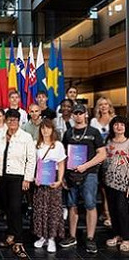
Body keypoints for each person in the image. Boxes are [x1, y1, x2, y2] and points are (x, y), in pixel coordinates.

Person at [60, 103, 106, 254]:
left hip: (89, 174)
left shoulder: (94, 132)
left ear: (86, 114)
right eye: (76, 113)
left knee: (90, 204)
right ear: (72, 115)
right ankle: (72, 236)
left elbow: (102, 154)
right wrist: (64, 176)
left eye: (81, 113)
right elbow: (64, 156)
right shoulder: (68, 133)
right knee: (72, 205)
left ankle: (91, 238)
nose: (78, 115)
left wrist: (86, 166)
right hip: (71, 174)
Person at [0, 109, 36, 258]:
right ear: (6, 121)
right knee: (7, 208)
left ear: (19, 121)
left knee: (16, 208)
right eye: (10, 120)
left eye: (15, 120)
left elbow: (31, 159)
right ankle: (10, 235)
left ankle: (19, 241)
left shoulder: (26, 137)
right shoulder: (0, 136)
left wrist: (27, 178)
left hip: (17, 177)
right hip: (1, 176)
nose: (12, 122)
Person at [33, 119, 66, 253]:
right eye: (43, 128)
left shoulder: (57, 145)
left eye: (48, 128)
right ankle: (42, 237)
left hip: (53, 182)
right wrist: (35, 178)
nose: (45, 131)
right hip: (40, 183)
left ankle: (51, 238)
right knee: (40, 210)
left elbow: (61, 164)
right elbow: (33, 164)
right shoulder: (36, 145)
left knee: (53, 210)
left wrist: (59, 180)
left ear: (52, 130)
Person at [104, 116, 129, 252]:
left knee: (122, 210)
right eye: (116, 124)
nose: (119, 127)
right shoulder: (108, 141)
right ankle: (117, 235)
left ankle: (126, 238)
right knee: (113, 210)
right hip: (109, 182)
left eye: (122, 124)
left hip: (124, 184)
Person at [90, 97, 115, 227]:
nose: (104, 107)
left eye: (106, 104)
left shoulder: (115, 119)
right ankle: (105, 212)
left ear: (109, 106)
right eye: (101, 105)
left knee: (109, 187)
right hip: (98, 157)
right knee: (101, 187)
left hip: (112, 157)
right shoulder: (94, 121)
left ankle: (109, 215)